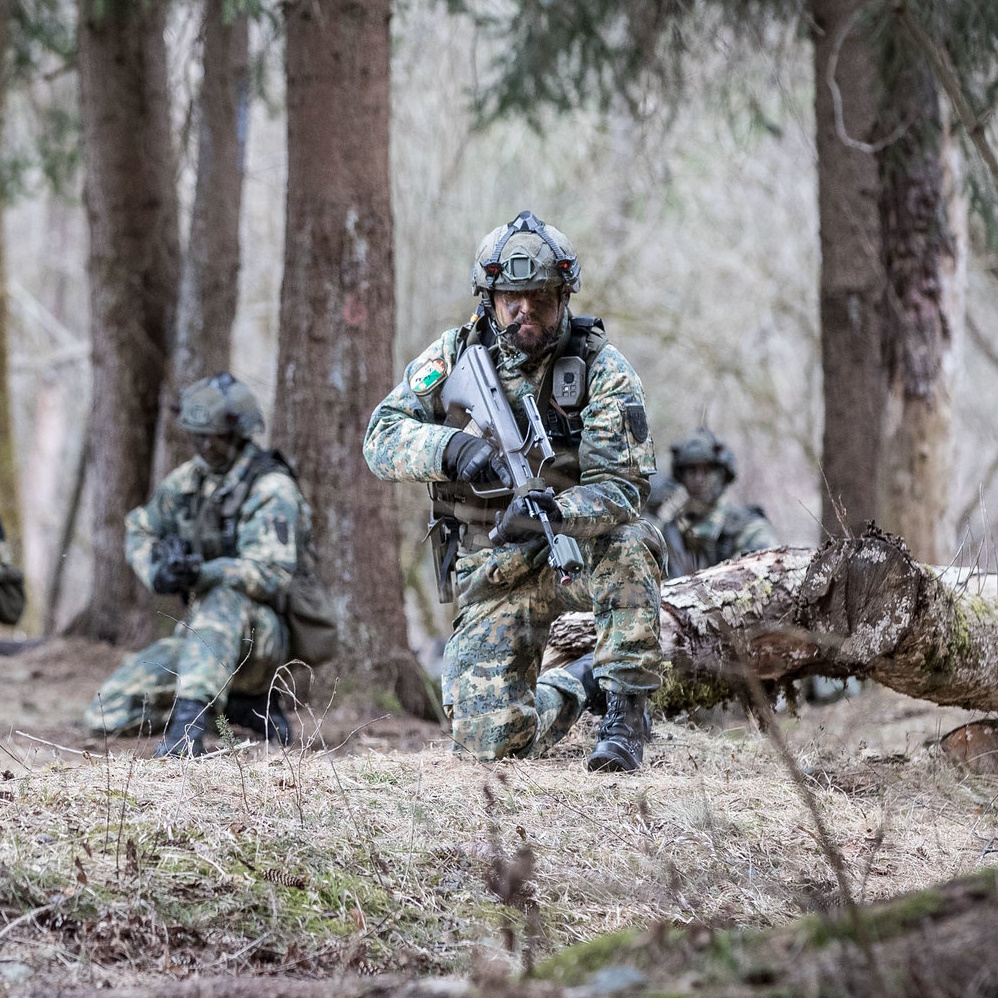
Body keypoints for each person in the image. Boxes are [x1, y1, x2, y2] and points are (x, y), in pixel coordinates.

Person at [363, 210, 667, 772]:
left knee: (631, 544)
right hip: (492, 564)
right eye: (511, 300)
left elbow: (621, 491)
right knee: (487, 743)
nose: (525, 311)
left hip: (572, 549)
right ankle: (580, 685)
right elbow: (380, 437)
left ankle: (626, 714)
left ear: (564, 299)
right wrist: (453, 450)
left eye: (541, 299)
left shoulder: (602, 370)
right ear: (489, 300)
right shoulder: (454, 355)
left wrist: (556, 508)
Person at [85, 373, 308, 757]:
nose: (205, 446)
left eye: (215, 437)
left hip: (260, 641)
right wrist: (159, 571)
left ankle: (189, 728)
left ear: (237, 435)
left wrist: (204, 574)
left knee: (223, 595)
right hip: (204, 642)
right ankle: (230, 706)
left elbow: (272, 572)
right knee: (107, 713)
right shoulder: (189, 481)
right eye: (198, 436)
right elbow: (140, 528)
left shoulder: (270, 488)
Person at [645, 427, 777, 578]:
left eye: (707, 470)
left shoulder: (748, 528)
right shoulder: (670, 531)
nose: (698, 479)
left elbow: (761, 579)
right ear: (681, 476)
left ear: (723, 475)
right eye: (691, 470)